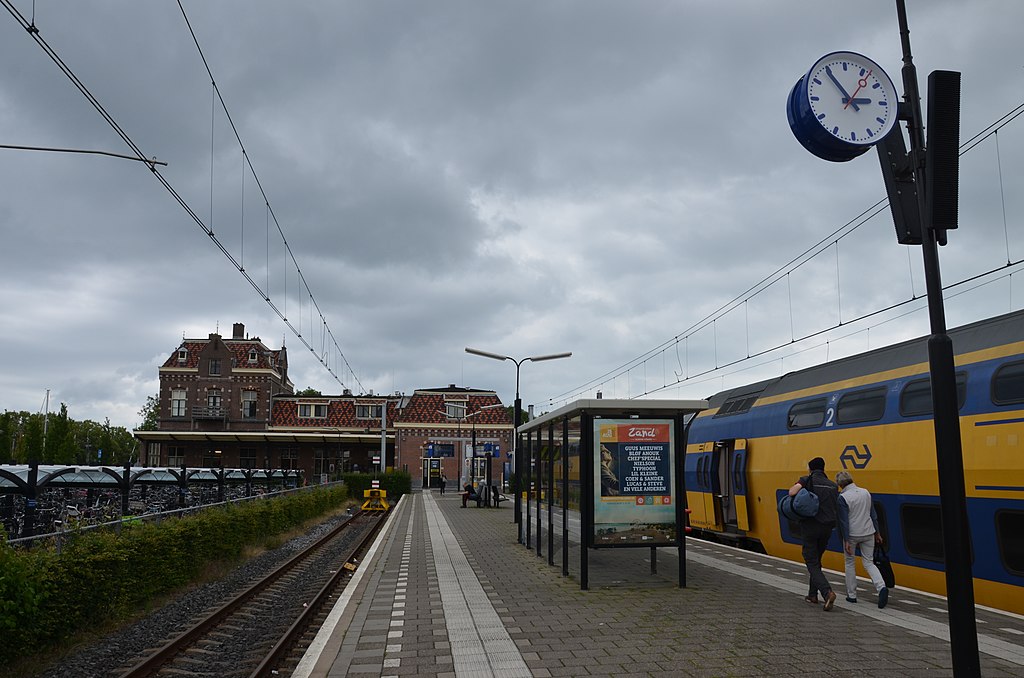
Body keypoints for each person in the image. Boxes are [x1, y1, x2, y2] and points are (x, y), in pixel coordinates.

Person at [788, 456, 840, 611]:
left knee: (811, 562)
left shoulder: (806, 480)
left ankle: (827, 592)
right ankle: (812, 595)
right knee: (816, 560)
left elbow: (792, 492)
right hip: (827, 528)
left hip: (811, 526)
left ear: (810, 469)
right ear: (824, 469)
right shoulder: (832, 485)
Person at [835, 470, 889, 608]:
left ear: (839, 484)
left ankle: (852, 596)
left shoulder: (843, 497)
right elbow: (873, 514)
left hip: (852, 535)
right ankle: (881, 587)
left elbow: (844, 521)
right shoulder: (865, 492)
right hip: (868, 532)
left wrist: (846, 539)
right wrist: (877, 533)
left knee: (849, 563)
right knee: (869, 562)